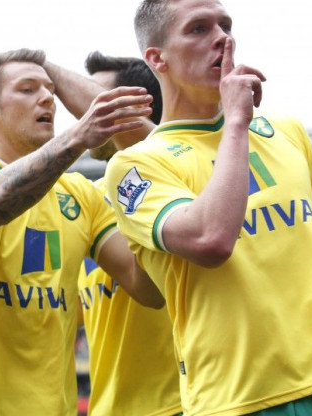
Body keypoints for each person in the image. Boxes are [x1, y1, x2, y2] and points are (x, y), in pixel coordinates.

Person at [105, 0, 312, 415]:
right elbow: (212, 240)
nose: (222, 37)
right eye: (198, 29)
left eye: (225, 24)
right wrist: (235, 123)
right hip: (243, 401)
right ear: (157, 58)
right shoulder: (137, 166)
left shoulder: (287, 132)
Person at [0, 48, 164, 415]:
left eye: (49, 90)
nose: (46, 98)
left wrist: (158, 209)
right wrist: (76, 139)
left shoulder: (81, 196)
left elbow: (149, 289)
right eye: (27, 89)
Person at [71, 51, 181, 416]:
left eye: (94, 98)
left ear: (138, 106)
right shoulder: (85, 202)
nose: (84, 110)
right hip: (109, 408)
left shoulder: (182, 178)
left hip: (188, 404)